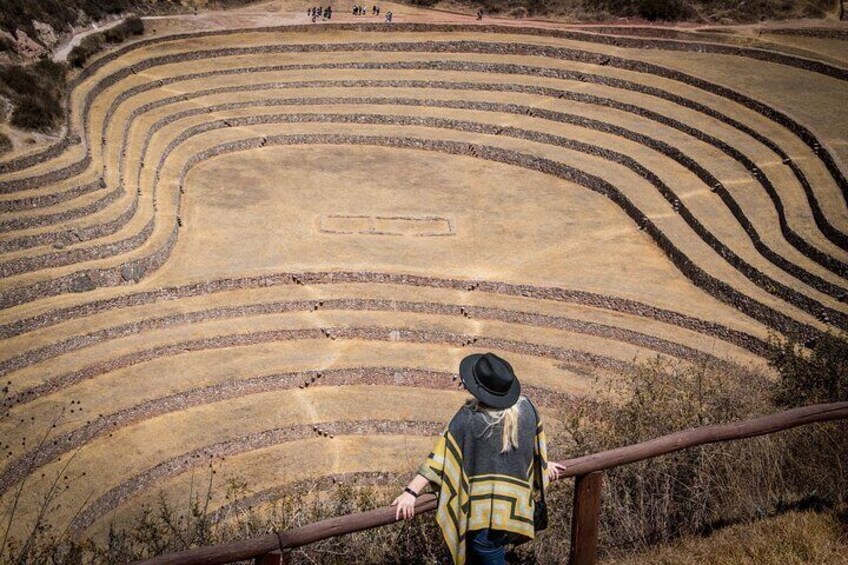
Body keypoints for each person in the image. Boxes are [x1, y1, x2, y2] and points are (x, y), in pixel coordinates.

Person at [392, 352, 567, 565]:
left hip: (483, 518)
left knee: (484, 547)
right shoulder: (528, 409)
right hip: (518, 509)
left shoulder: (468, 419)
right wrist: (543, 468)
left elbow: (441, 459)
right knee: (494, 547)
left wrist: (411, 492)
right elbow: (533, 448)